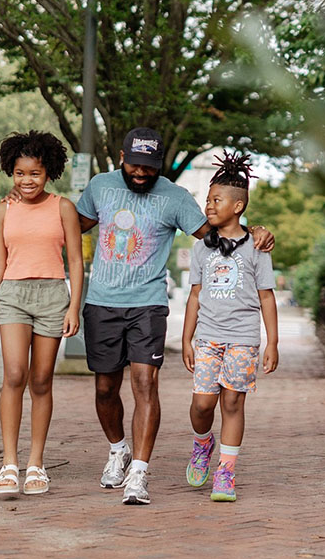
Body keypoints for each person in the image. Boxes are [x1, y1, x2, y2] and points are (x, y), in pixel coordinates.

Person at [71, 128, 273, 505]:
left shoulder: (175, 197)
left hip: (148, 303)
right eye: (135, 164)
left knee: (145, 384)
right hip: (102, 302)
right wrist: (24, 202)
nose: (141, 173)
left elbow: (219, 229)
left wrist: (257, 230)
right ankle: (118, 449)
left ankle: (139, 473)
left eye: (149, 167)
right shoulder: (100, 187)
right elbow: (71, 224)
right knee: (104, 389)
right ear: (120, 157)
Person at [0, 131, 84, 497]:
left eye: (35, 173)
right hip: (13, 295)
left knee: (41, 381)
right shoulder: (2, 211)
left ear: (48, 172)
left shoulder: (63, 207)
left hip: (53, 295)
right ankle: (9, 463)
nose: (27, 181)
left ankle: (36, 463)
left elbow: (75, 261)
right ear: (11, 171)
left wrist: (74, 307)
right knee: (14, 374)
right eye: (20, 173)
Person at [181, 152, 279, 502]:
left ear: (237, 206)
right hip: (207, 337)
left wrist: (272, 343)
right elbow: (194, 296)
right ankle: (202, 443)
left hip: (243, 339)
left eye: (216, 200)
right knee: (203, 405)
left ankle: (226, 472)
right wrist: (186, 339)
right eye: (208, 200)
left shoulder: (257, 247)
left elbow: (267, 297)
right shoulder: (200, 249)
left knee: (234, 403)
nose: (209, 205)